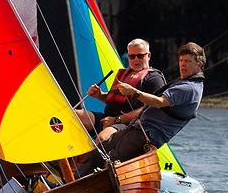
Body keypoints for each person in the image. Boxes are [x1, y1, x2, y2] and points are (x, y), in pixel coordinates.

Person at [77, 42, 205, 176]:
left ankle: (86, 186)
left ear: (199, 64)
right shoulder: (184, 82)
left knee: (112, 157)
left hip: (147, 134)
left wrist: (133, 94)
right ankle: (73, 177)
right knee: (102, 149)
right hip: (136, 127)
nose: (183, 64)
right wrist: (100, 95)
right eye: (181, 60)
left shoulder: (188, 87)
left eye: (188, 61)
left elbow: (160, 102)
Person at [75, 39, 166, 142]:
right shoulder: (124, 74)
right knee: (74, 116)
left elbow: (151, 109)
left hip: (130, 125)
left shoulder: (154, 79)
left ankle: (92, 157)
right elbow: (115, 101)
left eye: (140, 56)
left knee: (102, 138)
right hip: (107, 119)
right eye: (132, 56)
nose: (136, 60)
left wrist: (116, 120)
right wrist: (99, 95)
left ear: (148, 56)